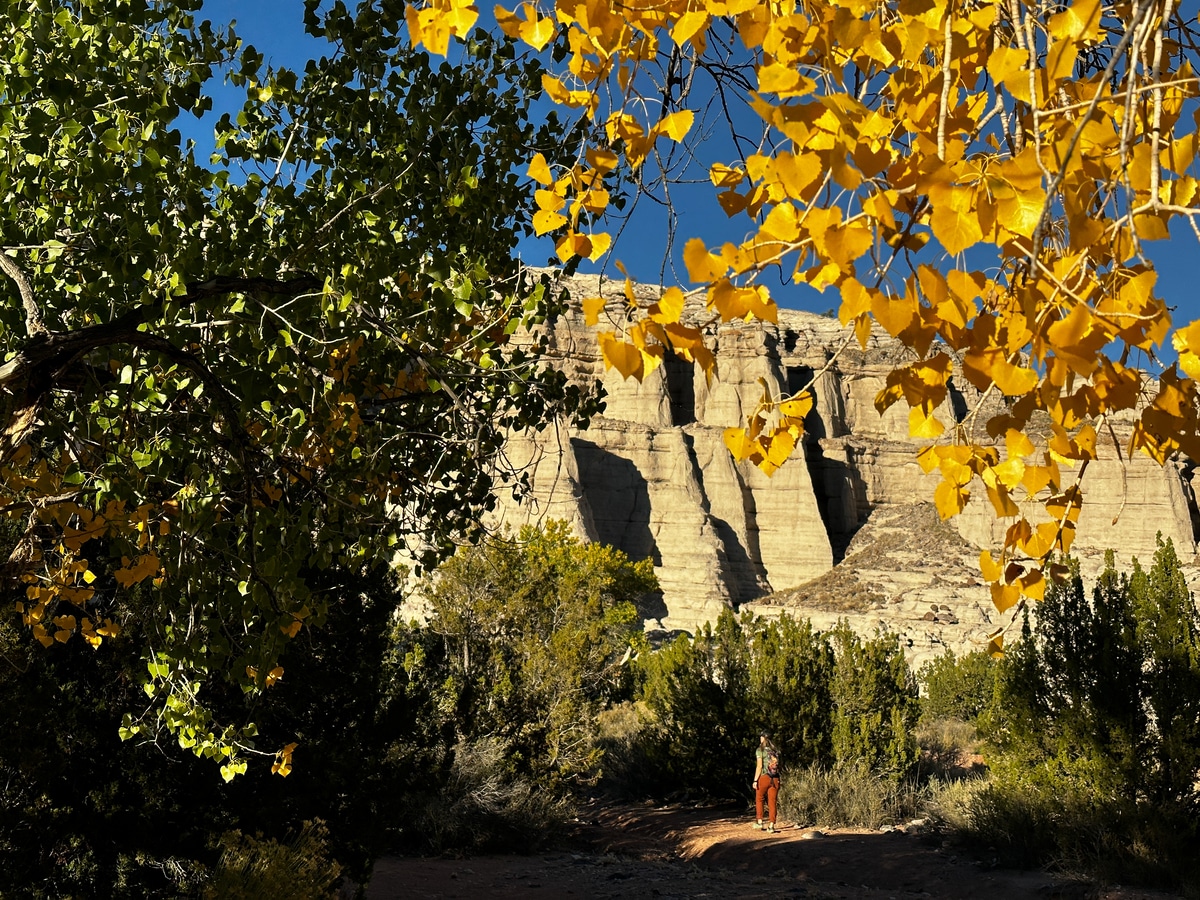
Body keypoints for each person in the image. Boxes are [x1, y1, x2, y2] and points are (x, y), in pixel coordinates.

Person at [751, 731, 780, 833]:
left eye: (761, 736)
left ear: (763, 738)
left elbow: (759, 766)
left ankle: (760, 821)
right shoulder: (775, 750)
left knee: (759, 798)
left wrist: (755, 780)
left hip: (764, 777)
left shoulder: (760, 750)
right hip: (775, 778)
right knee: (772, 802)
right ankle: (771, 826)